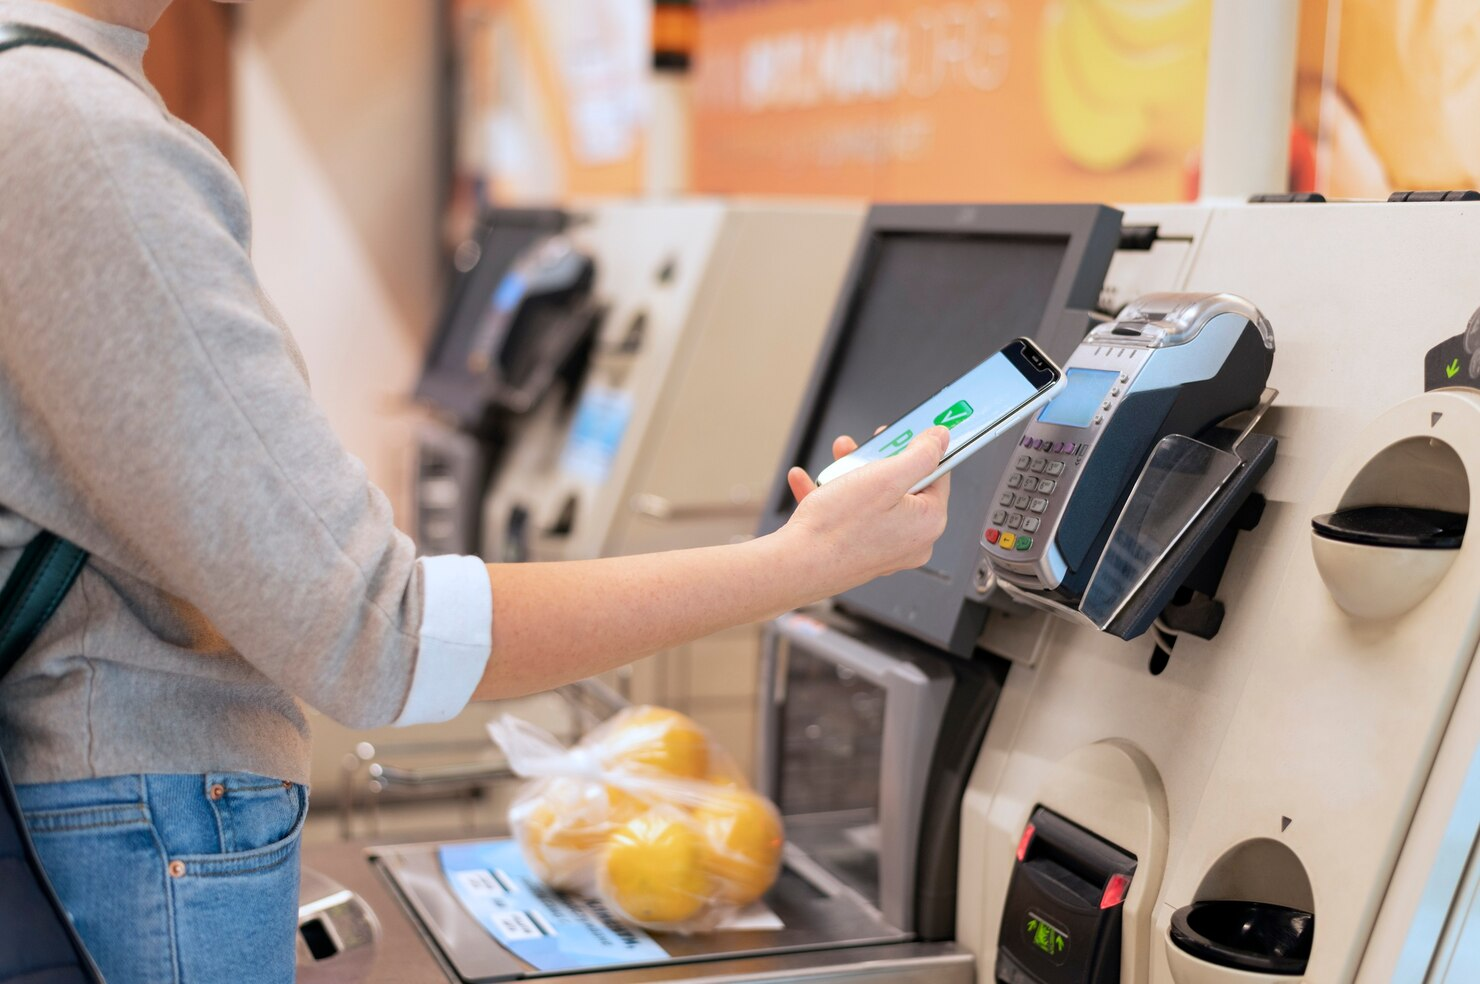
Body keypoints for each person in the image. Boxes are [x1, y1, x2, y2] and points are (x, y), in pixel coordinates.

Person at [0, 0, 953, 980]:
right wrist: (802, 562)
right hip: (129, 822)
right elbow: (379, 635)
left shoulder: (68, 96)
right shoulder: (66, 125)